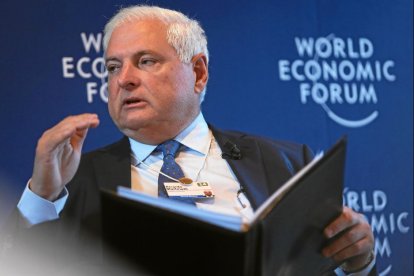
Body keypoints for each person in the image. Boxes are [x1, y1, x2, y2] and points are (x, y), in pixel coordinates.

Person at [1, 5, 376, 276]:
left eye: (145, 61)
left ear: (198, 73)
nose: (124, 79)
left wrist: (359, 264)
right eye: (113, 67)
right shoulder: (73, 183)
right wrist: (42, 195)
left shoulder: (288, 163)